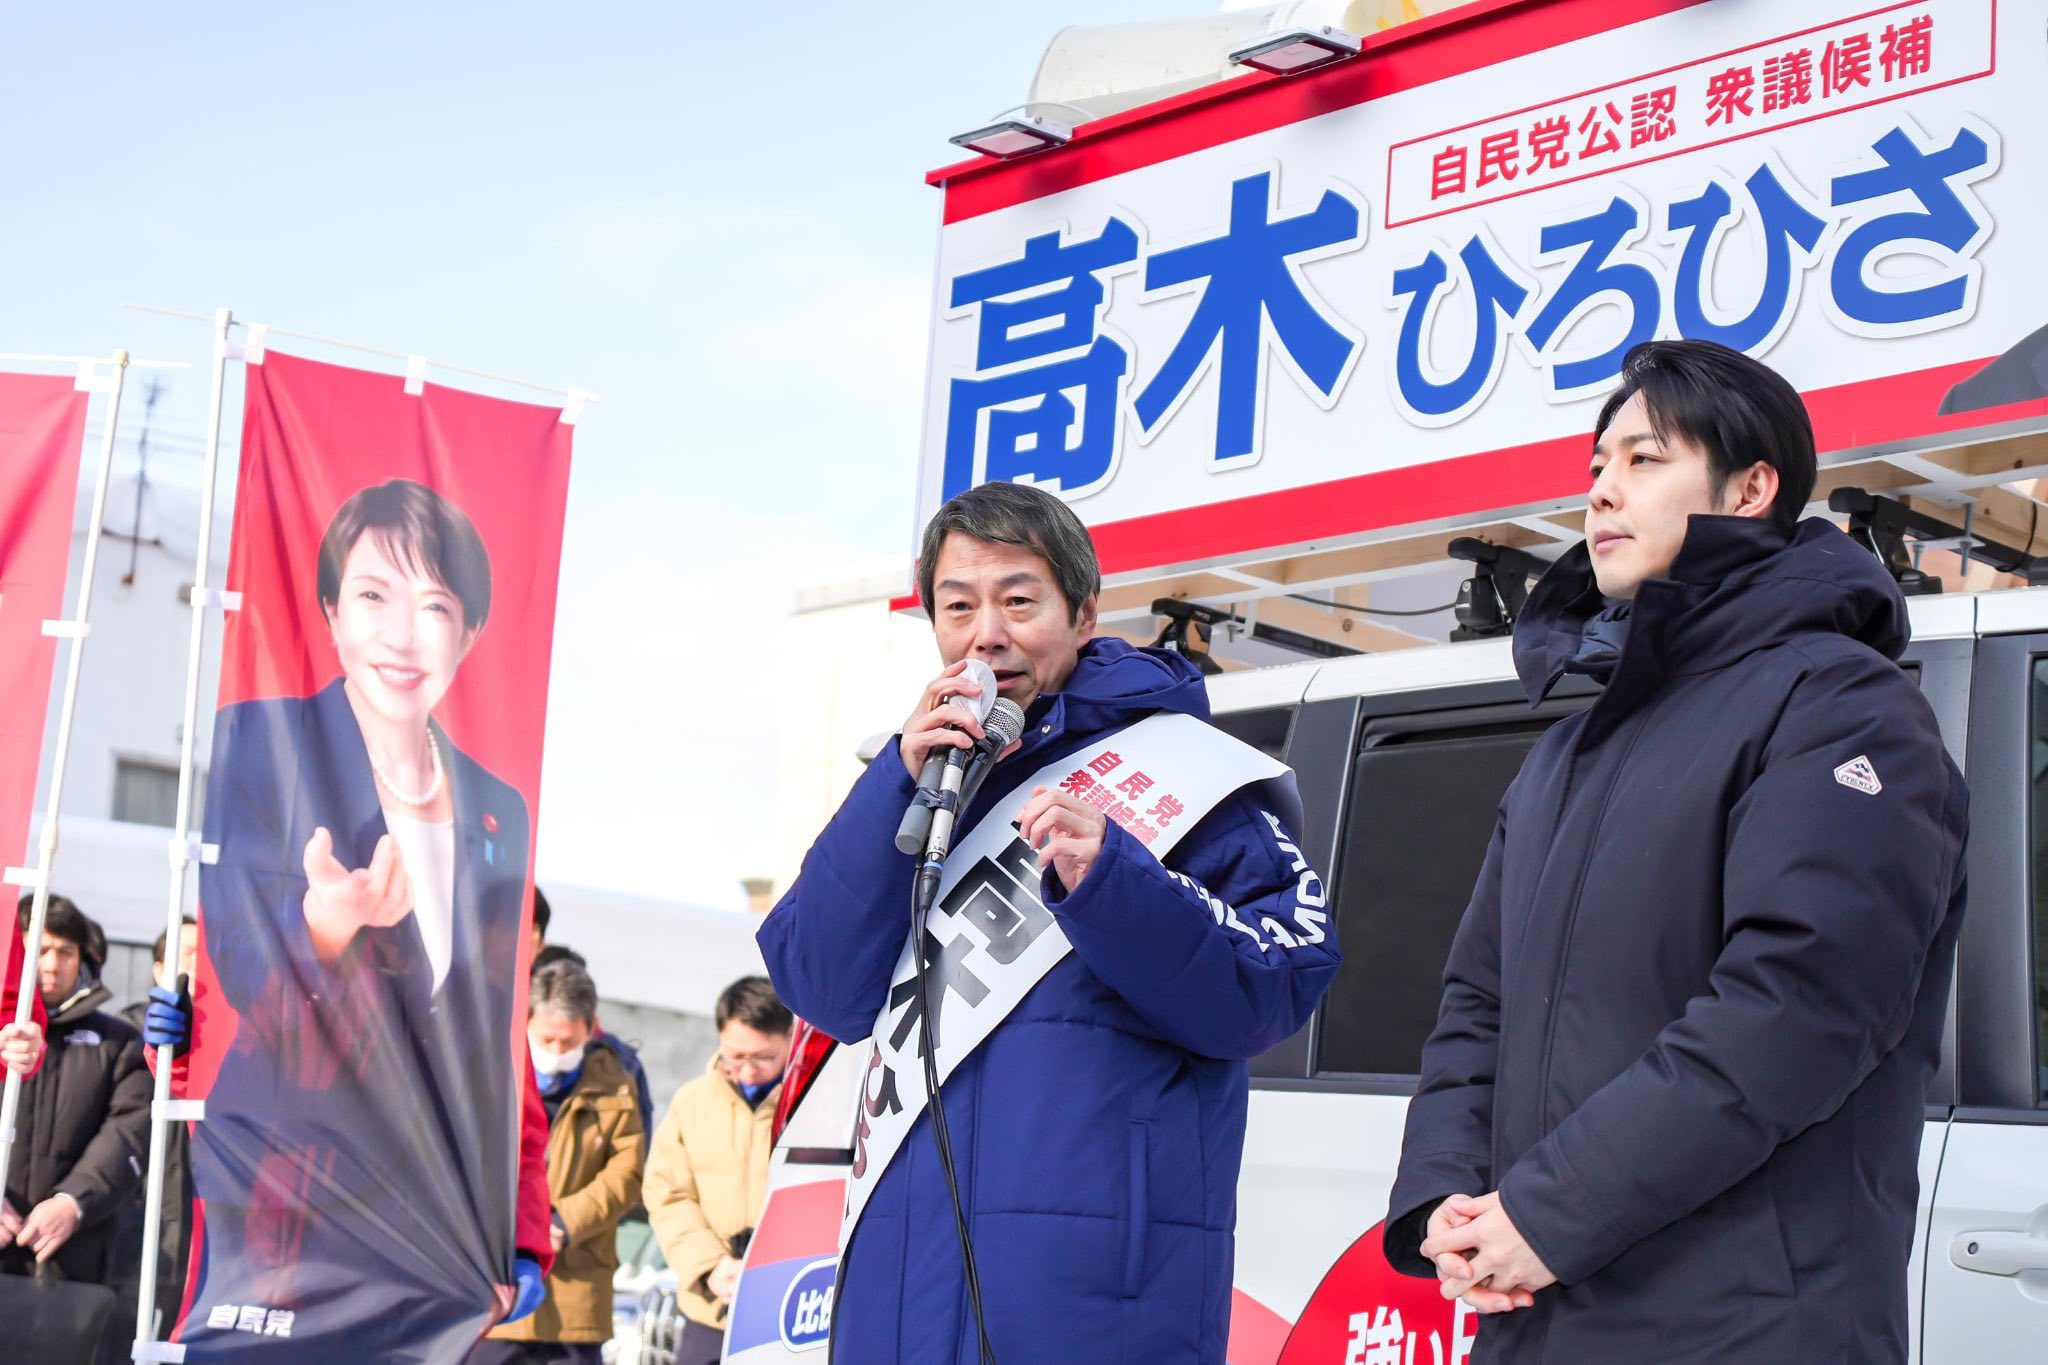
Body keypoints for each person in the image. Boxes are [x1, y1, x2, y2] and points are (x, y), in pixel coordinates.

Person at [1385, 339, 1968, 1363]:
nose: (1601, 492)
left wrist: (1549, 1212)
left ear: (1750, 489)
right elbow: (1478, 1001)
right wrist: (1447, 1194)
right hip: (1539, 1313)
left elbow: (1799, 1005)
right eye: (1596, 466)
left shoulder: (1841, 705)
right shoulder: (1567, 751)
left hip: (1743, 1324)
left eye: (1643, 460)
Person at [757, 480, 1340, 1362]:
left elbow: (1282, 979)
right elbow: (819, 986)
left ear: (1084, 613)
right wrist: (894, 784)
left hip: (1095, 1309)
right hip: (903, 1303)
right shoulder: (919, 781)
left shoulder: (1184, 775)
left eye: (1019, 601)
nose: (986, 634)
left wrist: (1116, 881)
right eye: (958, 606)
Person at [182, 479, 552, 1358]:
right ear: (331, 611)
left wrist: (519, 1228)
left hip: (430, 1217)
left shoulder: (498, 807)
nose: (403, 633)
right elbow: (243, 974)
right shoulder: (261, 743)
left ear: (470, 632)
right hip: (285, 1199)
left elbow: (495, 1043)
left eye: (435, 605)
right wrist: (323, 926)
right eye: (374, 595)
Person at [474, 959, 644, 1364]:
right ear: (525, 1023)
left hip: (577, 1285)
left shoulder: (616, 1086)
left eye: (568, 1042)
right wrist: (527, 1228)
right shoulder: (492, 1075)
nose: (555, 1052)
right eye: (546, 1039)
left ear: (591, 1028)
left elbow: (626, 1173)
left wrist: (563, 1223)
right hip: (499, 1274)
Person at [1, 897, 149, 1298]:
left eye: (65, 952)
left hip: (73, 1267)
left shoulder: (119, 1043)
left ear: (83, 958)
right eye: (39, 950)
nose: (51, 965)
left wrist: (73, 1201)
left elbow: (130, 1132)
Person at [642, 977, 791, 1365]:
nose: (748, 1070)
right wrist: (710, 1264)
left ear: (789, 1040)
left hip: (788, 1307)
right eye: (735, 1056)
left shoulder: (814, 1103)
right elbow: (667, 1193)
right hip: (711, 1307)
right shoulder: (692, 1102)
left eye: (763, 1057)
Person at [111, 916, 199, 1341]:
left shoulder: (239, 1039)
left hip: (201, 1220)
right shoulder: (123, 1036)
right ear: (159, 969)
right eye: (188, 954)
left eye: (205, 956)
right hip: (138, 1213)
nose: (197, 965)